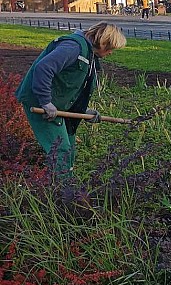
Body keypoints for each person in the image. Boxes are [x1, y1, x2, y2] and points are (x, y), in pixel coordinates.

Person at [16, 22, 127, 176]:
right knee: (60, 149)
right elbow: (44, 68)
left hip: (57, 104)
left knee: (69, 147)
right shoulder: (73, 48)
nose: (111, 53)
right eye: (111, 48)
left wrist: (83, 110)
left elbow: (71, 86)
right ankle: (60, 192)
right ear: (103, 42)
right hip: (40, 103)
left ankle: (67, 187)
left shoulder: (89, 54)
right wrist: (46, 102)